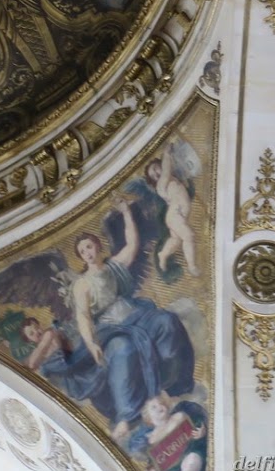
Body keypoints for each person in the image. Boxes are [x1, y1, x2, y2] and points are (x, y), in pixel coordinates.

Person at [71, 202, 196, 442]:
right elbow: (83, 316)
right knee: (122, 349)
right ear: (81, 256)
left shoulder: (113, 266)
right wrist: (91, 343)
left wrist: (127, 213)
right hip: (112, 328)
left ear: (97, 246)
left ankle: (172, 386)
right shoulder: (82, 284)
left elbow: (132, 244)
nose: (87, 252)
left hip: (135, 315)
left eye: (89, 246)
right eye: (82, 251)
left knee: (166, 321)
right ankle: (126, 417)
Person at [147, 146, 197, 276]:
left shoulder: (171, 179)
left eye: (155, 169)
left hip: (178, 215)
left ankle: (163, 254)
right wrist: (166, 154)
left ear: (159, 164)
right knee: (189, 236)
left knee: (176, 240)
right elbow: (166, 170)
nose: (156, 174)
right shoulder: (162, 184)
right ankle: (192, 266)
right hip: (175, 215)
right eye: (153, 176)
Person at [136, 393, 207, 471]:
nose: (159, 406)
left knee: (188, 469)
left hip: (190, 453)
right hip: (171, 469)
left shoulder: (179, 416)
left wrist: (201, 433)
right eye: (154, 407)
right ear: (149, 417)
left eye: (161, 403)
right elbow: (158, 463)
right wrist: (153, 470)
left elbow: (197, 427)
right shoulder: (152, 439)